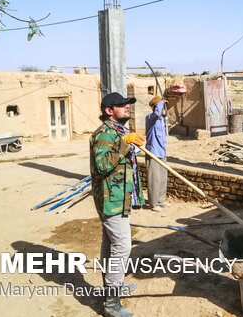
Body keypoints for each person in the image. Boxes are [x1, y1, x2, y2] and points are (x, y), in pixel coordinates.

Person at [90, 92, 145, 317]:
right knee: (122, 246)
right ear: (109, 111)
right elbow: (103, 165)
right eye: (121, 105)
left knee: (110, 245)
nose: (126, 108)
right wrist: (124, 145)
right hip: (111, 200)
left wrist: (130, 145)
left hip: (119, 197)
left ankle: (111, 287)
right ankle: (112, 303)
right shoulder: (104, 134)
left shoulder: (119, 132)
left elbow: (124, 165)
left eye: (127, 104)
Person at [145, 96, 169, 212]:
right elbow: (157, 114)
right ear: (155, 107)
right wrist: (160, 103)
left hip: (161, 152)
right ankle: (153, 203)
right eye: (160, 106)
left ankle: (160, 200)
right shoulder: (150, 118)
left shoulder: (161, 120)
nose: (163, 108)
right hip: (153, 152)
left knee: (163, 177)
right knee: (154, 178)